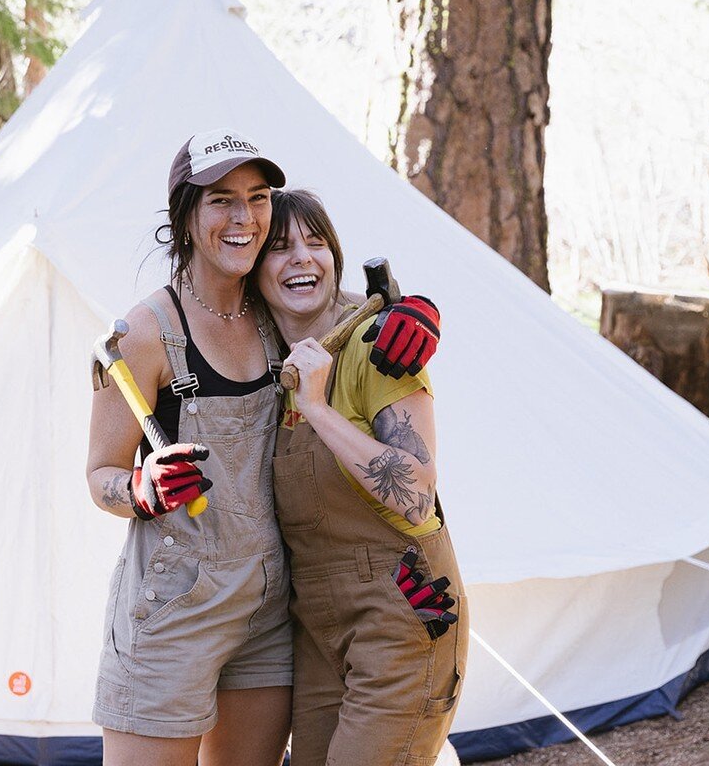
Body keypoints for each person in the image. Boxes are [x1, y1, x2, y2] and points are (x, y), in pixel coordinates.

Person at [86, 133, 443, 766]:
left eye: (256, 198)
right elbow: (100, 474)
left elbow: (343, 312)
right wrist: (139, 490)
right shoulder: (143, 334)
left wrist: (414, 310)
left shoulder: (271, 311)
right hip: (174, 612)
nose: (243, 217)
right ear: (186, 218)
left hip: (271, 615)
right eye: (221, 200)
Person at [258, 189, 466, 766]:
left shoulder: (378, 344)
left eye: (315, 242)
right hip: (317, 629)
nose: (302, 257)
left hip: (402, 615)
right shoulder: (258, 359)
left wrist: (319, 409)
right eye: (279, 247)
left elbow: (418, 496)